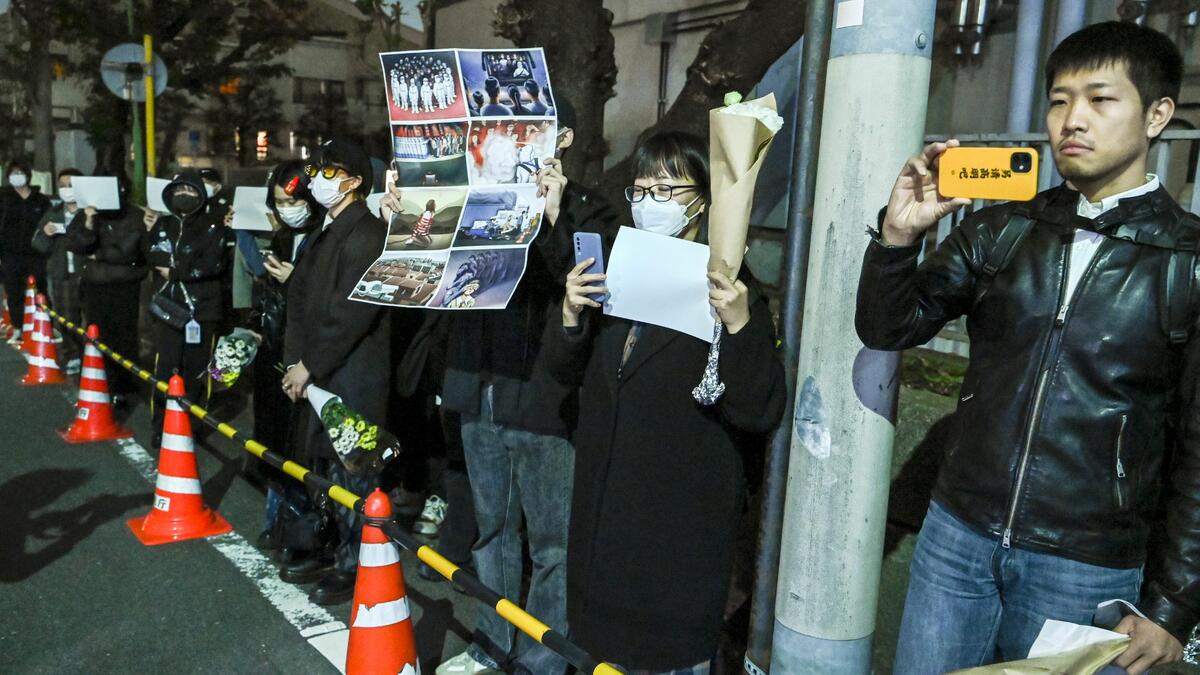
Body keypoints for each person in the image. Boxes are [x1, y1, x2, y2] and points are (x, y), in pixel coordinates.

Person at [856, 22, 1197, 674]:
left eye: (1100, 99)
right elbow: (889, 327)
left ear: (1157, 115)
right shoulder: (1004, 229)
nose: (1072, 119)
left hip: (1086, 564)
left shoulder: (1187, 259)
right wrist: (897, 239)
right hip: (956, 539)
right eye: (1059, 99)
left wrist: (1172, 604)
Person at [539, 130, 784, 673]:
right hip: (605, 517)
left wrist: (741, 325)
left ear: (702, 197)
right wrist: (571, 316)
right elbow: (563, 372)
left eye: (667, 189)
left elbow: (760, 410)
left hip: (676, 538)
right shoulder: (619, 269)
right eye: (641, 189)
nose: (650, 202)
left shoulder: (730, 289)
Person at [435, 96, 619, 675]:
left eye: (532, 130)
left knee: (551, 546)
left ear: (562, 140)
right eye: (500, 129)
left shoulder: (592, 209)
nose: (512, 138)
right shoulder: (475, 202)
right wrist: (413, 218)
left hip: (544, 397)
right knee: (490, 533)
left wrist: (553, 218)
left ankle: (542, 661)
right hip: (478, 385)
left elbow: (591, 291)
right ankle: (491, 645)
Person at [280, 138, 390, 605]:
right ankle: (330, 550)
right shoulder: (326, 231)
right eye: (317, 170)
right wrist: (295, 363)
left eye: (330, 171)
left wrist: (308, 365)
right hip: (321, 373)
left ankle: (354, 564)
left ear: (355, 181)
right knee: (327, 470)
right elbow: (302, 304)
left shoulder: (367, 234)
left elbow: (349, 314)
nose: (318, 179)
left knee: (355, 473)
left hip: (352, 376)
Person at [235, 160, 324, 551]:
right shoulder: (285, 236)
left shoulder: (323, 237)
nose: (287, 207)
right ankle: (276, 519)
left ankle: (301, 528)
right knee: (274, 440)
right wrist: (255, 326)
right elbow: (265, 288)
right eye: (278, 201)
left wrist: (296, 281)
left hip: (305, 359)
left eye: (293, 199)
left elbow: (326, 302)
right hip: (275, 350)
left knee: (301, 449)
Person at [144, 172, 231, 446]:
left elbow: (214, 263)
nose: (184, 195)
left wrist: (177, 270)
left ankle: (193, 427)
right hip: (168, 312)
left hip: (202, 312)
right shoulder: (161, 224)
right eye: (179, 189)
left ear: (201, 195)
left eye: (191, 191)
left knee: (197, 373)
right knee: (166, 369)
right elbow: (153, 255)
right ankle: (161, 425)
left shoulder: (214, 225)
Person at [62, 185, 147, 401]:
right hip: (96, 283)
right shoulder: (89, 213)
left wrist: (99, 254)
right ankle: (100, 379)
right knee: (97, 332)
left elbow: (130, 252)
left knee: (125, 334)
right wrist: (89, 224)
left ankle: (124, 383)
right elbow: (75, 244)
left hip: (126, 284)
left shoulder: (136, 215)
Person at [31, 168, 84, 373]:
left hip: (87, 273)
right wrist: (45, 233)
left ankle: (94, 358)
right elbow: (38, 244)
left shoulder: (90, 211)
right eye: (62, 186)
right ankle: (72, 355)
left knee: (91, 319)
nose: (66, 190)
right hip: (62, 274)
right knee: (67, 318)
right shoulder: (53, 213)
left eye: (71, 185)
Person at [0, 159, 52, 344]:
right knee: (14, 292)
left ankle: (46, 326)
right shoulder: (4, 198)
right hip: (10, 254)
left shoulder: (41, 200)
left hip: (36, 254)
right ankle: (19, 327)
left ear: (28, 176)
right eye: (13, 174)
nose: (17, 177)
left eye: (20, 173)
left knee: (40, 290)